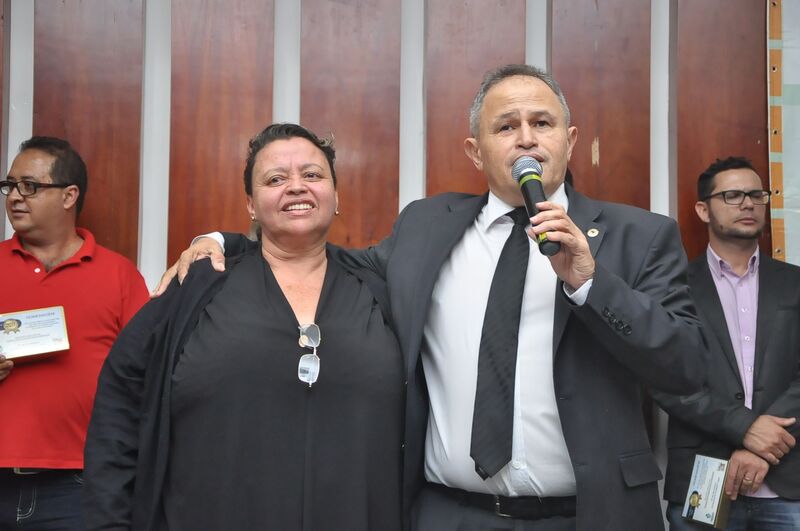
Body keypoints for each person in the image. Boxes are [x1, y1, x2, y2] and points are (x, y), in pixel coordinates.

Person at [163, 64, 704, 530]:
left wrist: (590, 283)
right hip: (449, 514)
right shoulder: (426, 227)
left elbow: (687, 368)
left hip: (591, 514)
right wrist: (224, 241)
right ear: (475, 151)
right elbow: (326, 258)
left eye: (542, 123)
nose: (526, 139)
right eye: (506, 126)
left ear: (570, 138)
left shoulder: (640, 236)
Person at [82, 123, 404, 531]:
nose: (296, 187)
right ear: (251, 204)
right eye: (275, 179)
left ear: (335, 195)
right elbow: (120, 402)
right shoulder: (197, 285)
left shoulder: (382, 289)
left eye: (312, 174)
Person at [0, 136, 149, 530]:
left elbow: (147, 377)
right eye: (9, 186)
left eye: (29, 186)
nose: (14, 197)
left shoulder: (120, 276)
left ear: (69, 196)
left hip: (79, 486)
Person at [653, 157, 800, 530]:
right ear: (703, 210)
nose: (748, 203)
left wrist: (763, 446)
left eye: (756, 194)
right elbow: (667, 380)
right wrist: (745, 429)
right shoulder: (673, 289)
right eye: (732, 195)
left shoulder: (794, 283)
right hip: (704, 480)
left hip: (789, 482)